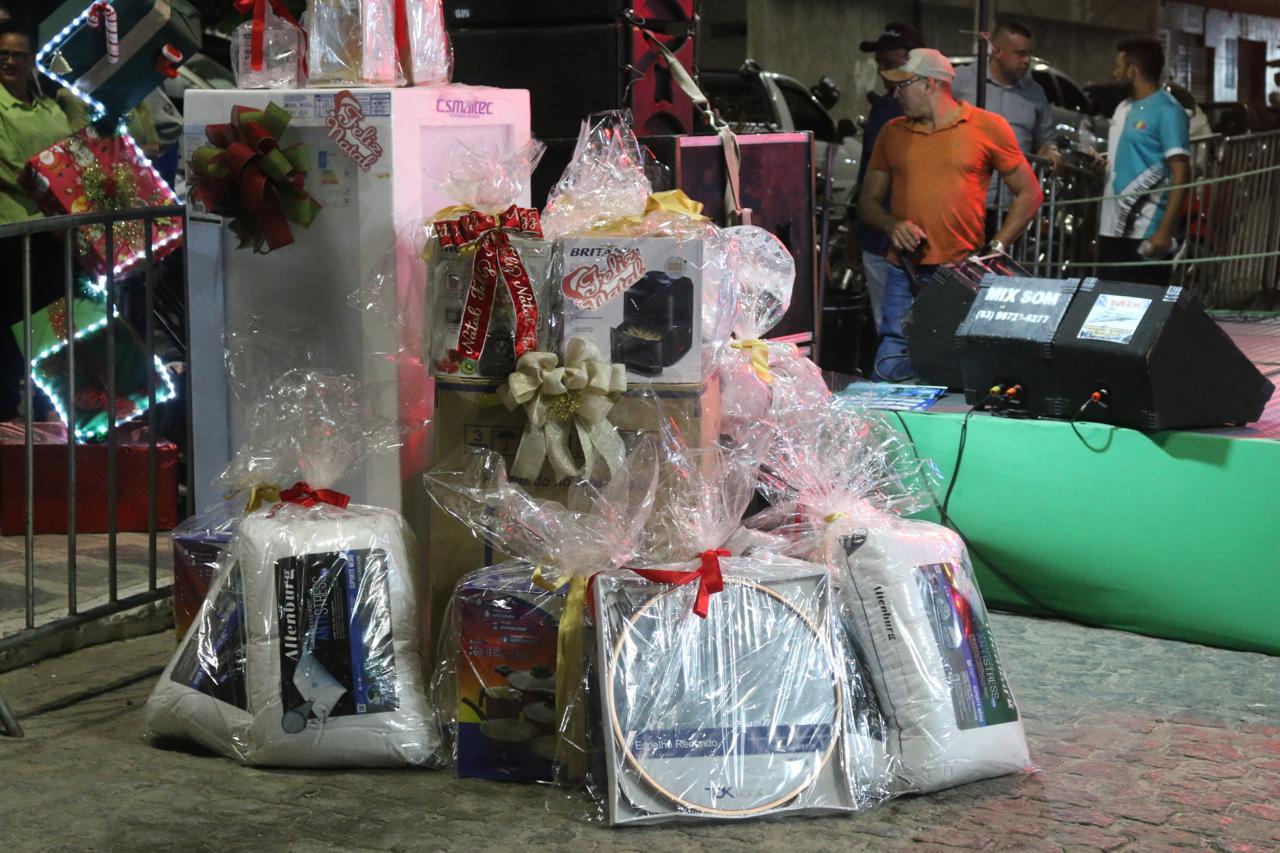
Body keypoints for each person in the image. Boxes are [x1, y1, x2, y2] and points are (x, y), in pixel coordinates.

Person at [857, 48, 1043, 382]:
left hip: (959, 274)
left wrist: (997, 247)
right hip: (904, 270)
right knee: (892, 359)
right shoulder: (892, 132)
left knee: (954, 369)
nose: (896, 94)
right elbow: (868, 201)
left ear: (930, 84)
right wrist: (891, 225)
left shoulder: (987, 127)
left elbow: (1030, 193)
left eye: (903, 86)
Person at [0, 19, 77, 419]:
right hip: (13, 234)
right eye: (3, 54)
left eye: (19, 54)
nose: (10, 61)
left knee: (54, 330)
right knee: (9, 332)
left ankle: (51, 414)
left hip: (55, 234)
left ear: (33, 59)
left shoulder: (49, 106)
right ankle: (5, 420)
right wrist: (62, 197)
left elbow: (75, 151)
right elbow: (14, 167)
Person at [1098, 37, 1190, 286]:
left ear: (1133, 70)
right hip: (1111, 228)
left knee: (1143, 304)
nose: (1115, 73)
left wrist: (1165, 231)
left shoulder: (1168, 110)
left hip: (1147, 231)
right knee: (1106, 302)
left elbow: (1182, 173)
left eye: (1119, 66)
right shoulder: (1123, 108)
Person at [953, 21, 1061, 231]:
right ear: (997, 50)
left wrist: (1050, 150)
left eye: (1029, 54)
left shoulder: (1035, 93)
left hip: (1010, 207)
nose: (1027, 61)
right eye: (1020, 54)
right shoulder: (961, 82)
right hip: (961, 202)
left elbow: (1045, 138)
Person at [855, 22, 925, 336]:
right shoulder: (882, 108)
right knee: (888, 327)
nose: (882, 71)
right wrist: (856, 229)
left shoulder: (929, 115)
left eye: (889, 63)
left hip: (916, 243)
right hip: (878, 236)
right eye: (879, 63)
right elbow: (867, 172)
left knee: (916, 330)